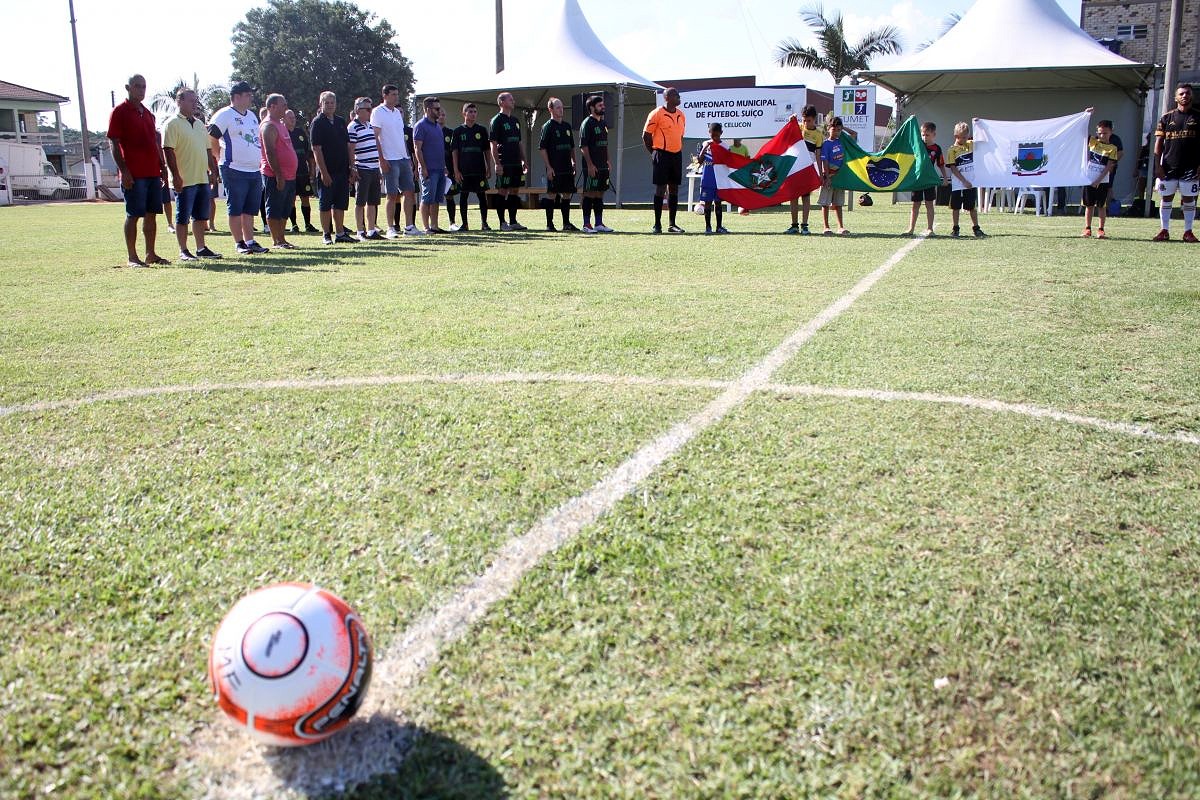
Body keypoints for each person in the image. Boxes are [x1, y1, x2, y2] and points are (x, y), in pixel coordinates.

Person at [107, 74, 170, 266]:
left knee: (152, 213)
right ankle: (132, 257)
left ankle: (150, 253)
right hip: (134, 174)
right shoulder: (119, 112)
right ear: (128, 87)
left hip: (152, 172)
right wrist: (124, 171)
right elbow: (114, 143)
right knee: (133, 214)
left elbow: (154, 142)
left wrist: (162, 166)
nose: (141, 90)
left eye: (144, 87)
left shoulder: (148, 114)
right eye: (137, 86)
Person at [162, 88, 221, 261]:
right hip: (184, 179)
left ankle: (201, 248)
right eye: (190, 100)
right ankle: (183, 250)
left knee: (201, 216)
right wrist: (176, 175)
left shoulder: (200, 124)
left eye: (195, 101)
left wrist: (212, 171)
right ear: (179, 102)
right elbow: (168, 151)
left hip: (201, 177)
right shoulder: (172, 124)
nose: (194, 104)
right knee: (183, 217)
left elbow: (208, 149)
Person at [209, 81, 267, 255]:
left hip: (253, 170)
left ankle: (250, 241)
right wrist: (219, 157)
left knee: (250, 209)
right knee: (235, 207)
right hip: (233, 168)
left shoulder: (251, 116)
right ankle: (239, 242)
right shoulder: (224, 115)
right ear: (237, 96)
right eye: (248, 94)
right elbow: (211, 137)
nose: (251, 98)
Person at [1152, 83, 1199, 243]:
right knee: (1166, 198)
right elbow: (1158, 143)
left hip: (1191, 167)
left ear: (1191, 96)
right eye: (1181, 94)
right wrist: (1157, 165)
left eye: (1187, 93)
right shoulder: (1166, 117)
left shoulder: (1198, 117)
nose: (1184, 96)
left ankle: (1188, 232)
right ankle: (1164, 230)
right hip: (1168, 166)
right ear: (1176, 97)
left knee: (1189, 199)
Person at [372, 83, 420, 237]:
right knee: (392, 194)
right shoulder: (378, 112)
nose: (396, 97)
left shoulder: (397, 113)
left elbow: (400, 137)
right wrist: (381, 159)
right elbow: (376, 138)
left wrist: (408, 157)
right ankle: (390, 228)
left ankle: (409, 227)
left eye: (397, 94)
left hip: (403, 158)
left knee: (409, 192)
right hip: (389, 159)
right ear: (384, 96)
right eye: (393, 94)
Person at [310, 91, 355, 245]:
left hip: (342, 170)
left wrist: (352, 167)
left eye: (332, 102)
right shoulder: (317, 123)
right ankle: (326, 234)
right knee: (325, 204)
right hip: (327, 172)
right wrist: (323, 172)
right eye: (326, 103)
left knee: (340, 203)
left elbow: (348, 146)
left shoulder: (341, 121)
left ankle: (340, 233)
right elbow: (316, 149)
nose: (329, 105)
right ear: (321, 104)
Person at [643, 87, 686, 233]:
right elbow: (646, 136)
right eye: (675, 95)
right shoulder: (656, 113)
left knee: (673, 188)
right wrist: (654, 153)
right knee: (661, 188)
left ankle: (672, 224)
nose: (679, 97)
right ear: (666, 98)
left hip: (676, 155)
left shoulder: (681, 115)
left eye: (678, 94)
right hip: (661, 154)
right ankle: (657, 224)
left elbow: (680, 136)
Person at [259, 93, 299, 249]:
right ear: (272, 107)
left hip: (289, 175)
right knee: (275, 207)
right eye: (283, 104)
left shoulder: (280, 124)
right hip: (275, 175)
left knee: (285, 208)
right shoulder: (268, 126)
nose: (286, 107)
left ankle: (282, 239)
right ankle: (276, 240)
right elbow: (270, 152)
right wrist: (278, 175)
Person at [451, 102, 494, 231]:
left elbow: (487, 150)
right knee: (464, 196)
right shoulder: (458, 131)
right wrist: (456, 170)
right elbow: (455, 151)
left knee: (482, 196)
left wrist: (489, 167)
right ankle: (465, 224)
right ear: (464, 113)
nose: (473, 114)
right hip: (464, 170)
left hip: (479, 170)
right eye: (470, 112)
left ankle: (484, 224)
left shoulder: (481, 130)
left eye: (475, 112)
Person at [538, 97, 578, 232]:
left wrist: (574, 162)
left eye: (562, 107)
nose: (561, 110)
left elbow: (572, 147)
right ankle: (549, 225)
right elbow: (542, 148)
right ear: (551, 109)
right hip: (555, 168)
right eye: (558, 107)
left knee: (567, 194)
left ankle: (566, 224)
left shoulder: (567, 126)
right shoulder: (547, 126)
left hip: (567, 167)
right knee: (552, 194)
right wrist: (549, 167)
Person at [783, 106, 824, 234]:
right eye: (804, 120)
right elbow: (786, 133)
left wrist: (820, 172)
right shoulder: (798, 127)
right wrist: (791, 120)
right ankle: (794, 225)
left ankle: (805, 225)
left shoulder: (818, 134)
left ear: (814, 119)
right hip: (795, 167)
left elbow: (818, 155)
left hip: (808, 168)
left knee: (805, 197)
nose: (806, 123)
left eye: (809, 121)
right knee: (793, 196)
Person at [490, 91, 528, 231]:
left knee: (514, 190)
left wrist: (524, 160)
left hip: (516, 163)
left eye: (513, 99)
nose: (513, 101)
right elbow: (493, 144)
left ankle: (513, 221)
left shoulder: (515, 121)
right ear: (501, 102)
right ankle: (502, 223)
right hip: (504, 162)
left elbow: (519, 142)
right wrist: (497, 163)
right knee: (502, 191)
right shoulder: (497, 120)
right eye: (510, 99)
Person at [904, 121, 949, 236]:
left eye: (927, 135)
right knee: (915, 204)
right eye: (922, 135)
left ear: (934, 134)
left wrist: (944, 178)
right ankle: (911, 228)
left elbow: (941, 164)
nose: (924, 137)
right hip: (917, 180)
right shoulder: (918, 145)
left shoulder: (937, 149)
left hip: (929, 181)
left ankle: (930, 229)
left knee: (929, 204)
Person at [347, 97, 382, 240]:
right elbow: (350, 150)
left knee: (373, 201)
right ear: (357, 110)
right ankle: (360, 231)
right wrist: (353, 167)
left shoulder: (369, 126)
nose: (370, 112)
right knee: (360, 201)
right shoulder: (352, 127)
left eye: (370, 108)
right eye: (367, 109)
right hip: (362, 168)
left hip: (374, 167)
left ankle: (371, 230)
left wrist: (378, 167)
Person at [945, 120, 985, 238]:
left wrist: (979, 124)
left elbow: (984, 138)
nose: (963, 140)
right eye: (960, 137)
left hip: (971, 183)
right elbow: (953, 168)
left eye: (965, 137)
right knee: (956, 207)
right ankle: (955, 228)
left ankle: (976, 228)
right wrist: (963, 181)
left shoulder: (970, 144)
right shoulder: (952, 150)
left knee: (971, 206)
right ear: (955, 136)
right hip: (959, 184)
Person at [579, 94, 613, 233]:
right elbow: (583, 146)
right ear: (592, 108)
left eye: (603, 105)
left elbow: (605, 145)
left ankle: (599, 223)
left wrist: (608, 160)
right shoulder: (587, 123)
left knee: (600, 193)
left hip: (603, 165)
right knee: (589, 194)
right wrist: (590, 164)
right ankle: (586, 225)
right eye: (600, 105)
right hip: (592, 166)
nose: (603, 107)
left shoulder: (603, 123)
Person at [413, 96, 447, 234]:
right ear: (428, 109)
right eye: (436, 109)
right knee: (427, 198)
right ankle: (426, 227)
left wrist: (444, 166)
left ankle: (435, 226)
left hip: (439, 168)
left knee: (436, 199)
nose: (439, 111)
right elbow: (417, 149)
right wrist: (423, 167)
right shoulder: (420, 126)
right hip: (429, 169)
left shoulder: (438, 126)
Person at [1082, 116, 1120, 239]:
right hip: (1089, 179)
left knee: (1101, 206)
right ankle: (1087, 228)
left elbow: (1109, 166)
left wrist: (1098, 180)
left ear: (1111, 132)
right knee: (1089, 205)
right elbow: (1082, 131)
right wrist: (1086, 116)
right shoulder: (1093, 142)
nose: (1101, 135)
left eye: (1105, 133)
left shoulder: (1112, 148)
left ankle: (1101, 229)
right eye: (1099, 133)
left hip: (1102, 181)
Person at [284, 109, 318, 234]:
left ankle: (308, 224)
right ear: (284, 119)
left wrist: (312, 169)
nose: (293, 120)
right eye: (290, 118)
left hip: (303, 172)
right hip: (289, 173)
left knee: (305, 197)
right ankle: (294, 225)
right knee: (291, 198)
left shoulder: (301, 133)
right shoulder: (282, 133)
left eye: (293, 117)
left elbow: (309, 154)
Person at [818, 117, 849, 236]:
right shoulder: (826, 144)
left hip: (839, 177)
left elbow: (854, 134)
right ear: (828, 129)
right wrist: (827, 177)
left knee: (838, 203)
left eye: (839, 130)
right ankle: (826, 227)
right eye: (834, 129)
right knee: (825, 203)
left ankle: (840, 226)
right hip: (829, 176)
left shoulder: (841, 141)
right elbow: (824, 161)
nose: (836, 132)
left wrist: (843, 128)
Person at [697, 122, 727, 235]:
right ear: (709, 133)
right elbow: (699, 161)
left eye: (717, 135)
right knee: (708, 203)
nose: (714, 137)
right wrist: (705, 147)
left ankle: (719, 227)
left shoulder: (725, 146)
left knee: (718, 203)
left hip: (719, 180)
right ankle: (708, 227)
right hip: (707, 179)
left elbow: (728, 162)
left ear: (721, 133)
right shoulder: (705, 144)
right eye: (712, 135)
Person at [438, 107, 459, 230]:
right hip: (435, 168)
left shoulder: (450, 133)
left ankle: (452, 223)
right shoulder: (432, 131)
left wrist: (455, 169)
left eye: (444, 115)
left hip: (449, 170)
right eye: (440, 114)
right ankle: (432, 224)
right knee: (433, 197)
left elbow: (454, 152)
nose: (441, 116)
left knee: (450, 196)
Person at [728, 138, 751, 215]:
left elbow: (748, 158)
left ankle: (742, 203)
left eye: (738, 139)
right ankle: (733, 203)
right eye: (735, 139)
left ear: (741, 140)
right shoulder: (730, 148)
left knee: (741, 187)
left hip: (742, 171)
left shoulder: (744, 148)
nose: (736, 140)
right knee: (733, 187)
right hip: (732, 171)